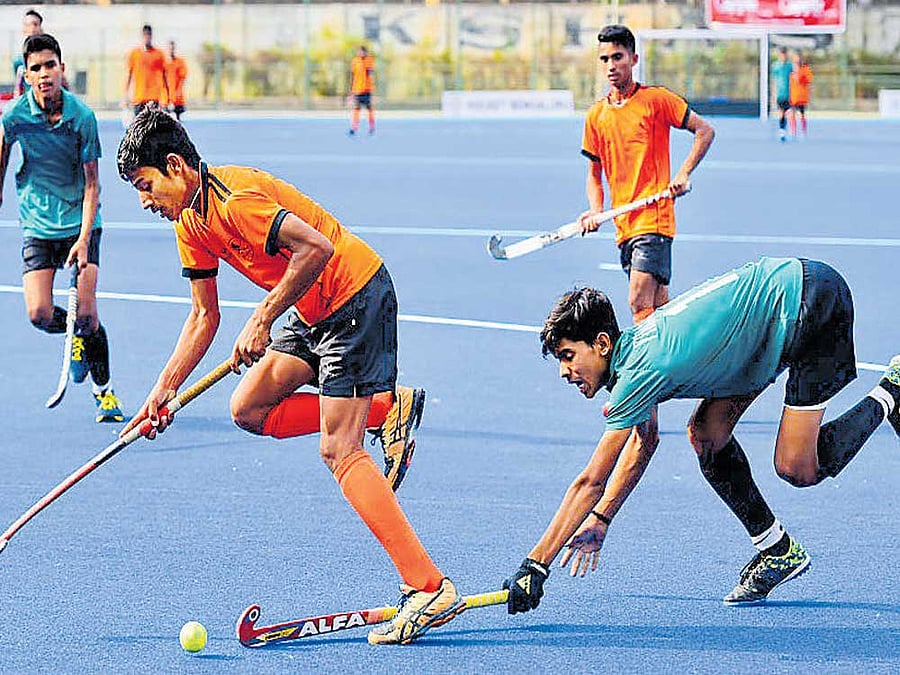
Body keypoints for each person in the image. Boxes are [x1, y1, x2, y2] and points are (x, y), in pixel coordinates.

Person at [116, 108, 461, 644]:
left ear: (176, 166)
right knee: (248, 409)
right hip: (312, 307)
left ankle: (429, 587)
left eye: (145, 185)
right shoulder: (190, 223)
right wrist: (162, 393)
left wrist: (262, 316)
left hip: (352, 295)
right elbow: (203, 316)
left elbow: (318, 248)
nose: (144, 201)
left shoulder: (236, 200)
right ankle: (387, 411)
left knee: (339, 450)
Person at [503, 256, 900, 614]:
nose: (563, 372)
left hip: (808, 304)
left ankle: (892, 391)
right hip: (765, 326)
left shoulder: (640, 371)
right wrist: (602, 518)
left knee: (797, 468)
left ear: (602, 343)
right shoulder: (633, 358)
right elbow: (645, 441)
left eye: (568, 356)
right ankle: (777, 551)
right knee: (707, 435)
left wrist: (535, 565)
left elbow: (591, 481)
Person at [0, 34, 124, 423]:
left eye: (50, 65)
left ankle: (104, 393)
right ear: (26, 74)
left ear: (62, 69)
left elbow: (92, 184)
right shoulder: (14, 118)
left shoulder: (81, 118)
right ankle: (76, 340)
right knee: (38, 313)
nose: (44, 74)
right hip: (38, 223)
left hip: (80, 222)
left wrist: (85, 239)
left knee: (87, 316)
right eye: (35, 68)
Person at [124, 25, 168, 116]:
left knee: (154, 128)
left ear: (151, 36)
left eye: (149, 35)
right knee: (139, 128)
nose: (147, 37)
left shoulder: (159, 54)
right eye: (145, 35)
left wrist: (165, 97)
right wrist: (126, 96)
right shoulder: (134, 54)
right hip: (139, 99)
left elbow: (164, 78)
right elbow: (129, 75)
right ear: (142, 36)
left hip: (154, 99)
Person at [12, 9, 44, 98]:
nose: (32, 28)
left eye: (35, 24)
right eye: (28, 25)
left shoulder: (50, 55)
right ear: (24, 29)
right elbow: (18, 88)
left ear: (41, 28)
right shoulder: (18, 60)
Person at [348, 45, 375, 136]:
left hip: (367, 89)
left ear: (365, 52)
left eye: (363, 52)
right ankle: (353, 128)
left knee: (369, 109)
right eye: (359, 52)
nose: (361, 53)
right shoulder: (355, 61)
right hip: (357, 90)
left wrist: (370, 74)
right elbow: (353, 75)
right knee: (356, 109)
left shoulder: (369, 60)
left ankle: (372, 127)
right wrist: (351, 90)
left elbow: (371, 73)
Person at [789, 52, 813, 139]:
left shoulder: (805, 69)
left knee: (802, 114)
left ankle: (803, 131)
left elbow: (808, 81)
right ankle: (793, 132)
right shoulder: (791, 70)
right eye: (795, 59)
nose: (797, 61)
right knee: (792, 113)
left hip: (802, 96)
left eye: (798, 59)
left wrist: (799, 76)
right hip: (793, 96)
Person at [772, 47, 793, 143]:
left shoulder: (789, 66)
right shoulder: (775, 66)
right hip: (780, 94)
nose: (783, 56)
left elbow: (793, 79)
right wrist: (773, 94)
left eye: (785, 54)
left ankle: (790, 130)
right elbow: (774, 81)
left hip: (788, 94)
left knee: (789, 112)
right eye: (782, 54)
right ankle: (782, 132)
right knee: (781, 113)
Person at [164, 40, 188, 121]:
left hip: (177, 98)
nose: (171, 50)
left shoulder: (180, 62)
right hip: (166, 98)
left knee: (178, 121)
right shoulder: (164, 63)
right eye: (169, 48)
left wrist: (178, 91)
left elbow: (183, 78)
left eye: (172, 48)